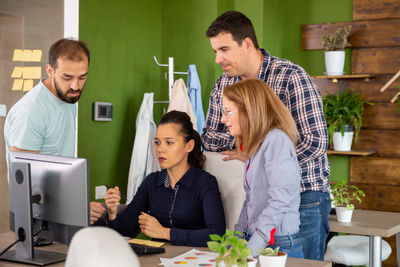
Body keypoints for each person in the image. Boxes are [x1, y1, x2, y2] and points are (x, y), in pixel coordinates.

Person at [202, 11, 330, 260]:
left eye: (224, 49)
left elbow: (315, 142)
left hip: (305, 196)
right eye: (215, 51)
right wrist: (250, 145)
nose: (218, 58)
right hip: (257, 196)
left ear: (247, 44)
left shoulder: (291, 77)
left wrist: (264, 155)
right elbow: (209, 136)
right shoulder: (222, 85)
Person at [4, 38, 105, 226]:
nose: (76, 86)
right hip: (36, 218)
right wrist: (74, 207)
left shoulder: (69, 99)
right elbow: (24, 183)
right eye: (67, 77)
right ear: (50, 70)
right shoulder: (32, 111)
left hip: (59, 210)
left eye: (82, 77)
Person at [105, 110, 226, 246]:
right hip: (157, 259)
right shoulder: (151, 182)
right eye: (157, 142)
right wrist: (112, 212)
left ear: (189, 146)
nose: (160, 149)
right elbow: (123, 232)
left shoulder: (205, 183)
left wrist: (164, 232)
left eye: (169, 142)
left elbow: (217, 235)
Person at [221, 79, 303, 258]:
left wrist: (249, 249)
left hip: (278, 246)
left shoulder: (276, 141)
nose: (222, 119)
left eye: (228, 112)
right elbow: (250, 201)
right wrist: (235, 240)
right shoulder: (255, 145)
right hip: (260, 241)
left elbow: (279, 202)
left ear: (248, 110)